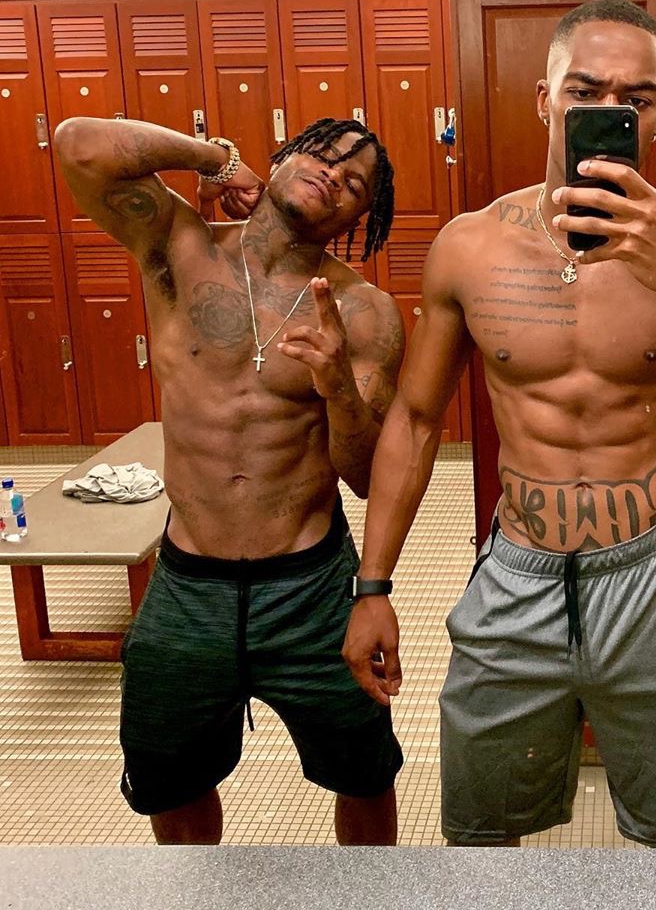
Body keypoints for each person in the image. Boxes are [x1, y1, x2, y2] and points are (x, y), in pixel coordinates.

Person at [344, 0, 656, 848]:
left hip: (650, 569)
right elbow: (415, 418)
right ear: (545, 99)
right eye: (585, 91)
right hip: (516, 568)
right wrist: (372, 587)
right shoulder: (470, 247)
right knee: (482, 833)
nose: (610, 110)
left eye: (636, 98)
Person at [54, 115, 405, 845]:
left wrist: (338, 387)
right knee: (170, 780)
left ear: (359, 218)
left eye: (355, 181)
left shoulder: (365, 312)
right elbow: (77, 145)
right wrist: (213, 158)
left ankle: (369, 894)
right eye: (321, 155)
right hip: (188, 584)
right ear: (279, 160)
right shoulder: (177, 246)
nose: (333, 174)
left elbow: (369, 475)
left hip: (310, 587)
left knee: (363, 774)